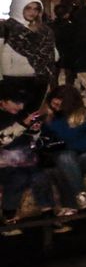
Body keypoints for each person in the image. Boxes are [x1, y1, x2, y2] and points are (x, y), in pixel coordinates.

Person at [40, 85, 86, 217]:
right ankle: (81, 195)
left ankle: (69, 205)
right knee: (64, 161)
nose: (56, 107)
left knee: (64, 164)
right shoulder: (51, 118)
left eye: (60, 105)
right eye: (54, 103)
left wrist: (69, 146)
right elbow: (47, 139)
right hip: (67, 156)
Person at [0, 87, 55, 232]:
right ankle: (8, 216)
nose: (21, 106)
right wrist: (23, 125)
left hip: (23, 158)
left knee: (40, 175)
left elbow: (29, 140)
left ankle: (48, 216)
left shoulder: (20, 114)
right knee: (19, 177)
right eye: (16, 102)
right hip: (4, 163)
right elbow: (2, 139)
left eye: (22, 103)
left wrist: (35, 131)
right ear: (3, 101)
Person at [0, 0, 58, 108]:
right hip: (12, 81)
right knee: (12, 116)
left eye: (36, 9)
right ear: (18, 8)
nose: (32, 12)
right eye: (28, 8)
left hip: (39, 80)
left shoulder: (45, 30)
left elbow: (53, 54)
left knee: (32, 115)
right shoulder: (5, 28)